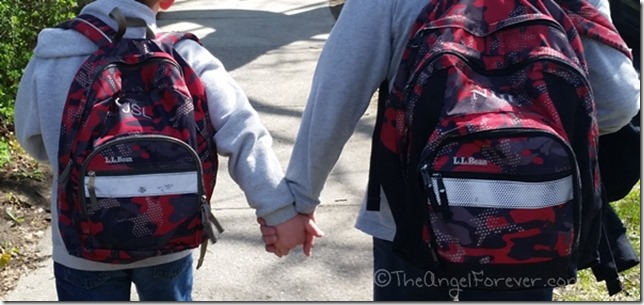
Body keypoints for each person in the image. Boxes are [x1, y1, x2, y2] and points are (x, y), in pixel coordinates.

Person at [261, 0, 640, 301]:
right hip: (532, 217)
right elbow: (620, 102)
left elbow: (336, 97)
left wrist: (298, 201)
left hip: (409, 220)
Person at [13, 0, 321, 301]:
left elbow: (32, 140)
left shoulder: (51, 57)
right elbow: (242, 131)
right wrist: (279, 212)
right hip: (168, 238)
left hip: (81, 248)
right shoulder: (185, 54)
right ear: (169, 1)